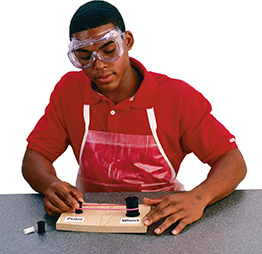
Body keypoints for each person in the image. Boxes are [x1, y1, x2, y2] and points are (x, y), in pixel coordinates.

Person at [22, 0, 247, 235]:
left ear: (127, 41)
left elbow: (232, 160)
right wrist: (50, 185)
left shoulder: (177, 97)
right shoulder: (69, 91)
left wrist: (199, 198)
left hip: (160, 221)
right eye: (84, 56)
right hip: (89, 221)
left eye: (109, 50)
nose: (98, 65)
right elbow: (34, 156)